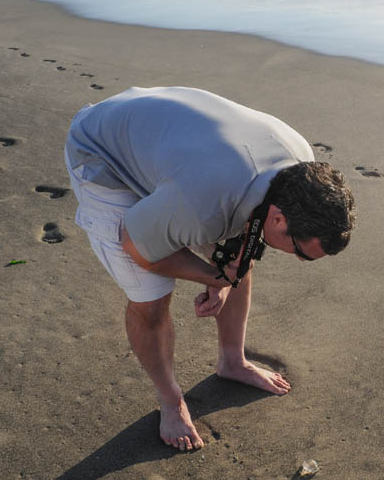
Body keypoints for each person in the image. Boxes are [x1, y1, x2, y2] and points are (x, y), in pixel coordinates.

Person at [64, 86, 356, 450]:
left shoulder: (300, 167)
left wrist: (226, 277)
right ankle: (170, 402)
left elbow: (246, 242)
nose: (300, 261)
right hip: (100, 152)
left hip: (166, 142)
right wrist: (213, 276)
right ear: (280, 218)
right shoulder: (202, 206)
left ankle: (233, 361)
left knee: (241, 256)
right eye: (304, 254)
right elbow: (137, 247)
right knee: (151, 298)